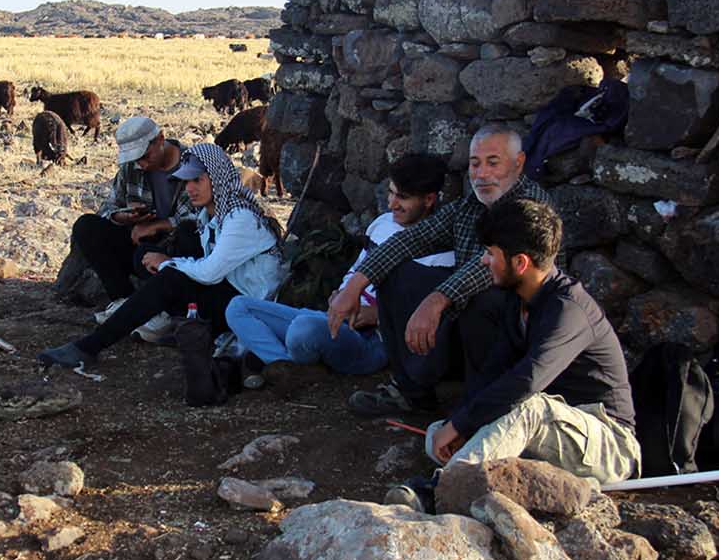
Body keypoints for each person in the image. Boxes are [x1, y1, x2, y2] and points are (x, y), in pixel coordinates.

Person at [328, 124, 553, 417]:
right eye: (475, 163)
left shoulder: (530, 207)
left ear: (518, 163)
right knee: (395, 273)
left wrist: (437, 299)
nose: (481, 173)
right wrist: (355, 285)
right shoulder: (469, 206)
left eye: (492, 162)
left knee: (486, 298)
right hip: (465, 314)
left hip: (515, 320)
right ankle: (411, 392)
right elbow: (412, 239)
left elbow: (489, 268)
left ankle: (483, 405)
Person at [421, 198, 640, 485]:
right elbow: (493, 372)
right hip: (548, 430)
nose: (484, 261)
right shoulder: (519, 301)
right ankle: (473, 475)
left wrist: (464, 424)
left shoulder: (568, 310)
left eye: (490, 253)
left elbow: (527, 381)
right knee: (437, 432)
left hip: (609, 444)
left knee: (527, 407)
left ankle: (444, 490)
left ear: (520, 262)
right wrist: (459, 423)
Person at [39, 143, 286, 369]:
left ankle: (89, 347)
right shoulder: (210, 215)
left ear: (217, 179)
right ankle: (132, 325)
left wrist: (169, 263)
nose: (189, 189)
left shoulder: (240, 217)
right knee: (166, 260)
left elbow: (210, 273)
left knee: (171, 278)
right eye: (186, 181)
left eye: (197, 181)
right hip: (229, 294)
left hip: (248, 306)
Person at [224, 154, 453, 387]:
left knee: (301, 330)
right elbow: (358, 268)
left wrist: (376, 315)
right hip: (336, 317)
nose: (392, 203)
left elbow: (426, 314)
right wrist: (341, 293)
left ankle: (274, 357)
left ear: (428, 200)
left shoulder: (442, 253)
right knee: (238, 307)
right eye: (391, 193)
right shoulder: (383, 224)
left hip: (374, 338)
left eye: (402, 197)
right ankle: (287, 366)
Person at [69, 115, 193, 335]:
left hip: (174, 251)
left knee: (183, 236)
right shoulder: (131, 168)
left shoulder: (191, 164)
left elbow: (197, 217)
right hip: (137, 241)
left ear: (160, 139)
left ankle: (162, 311)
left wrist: (158, 225)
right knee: (86, 226)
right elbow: (108, 207)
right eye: (137, 159)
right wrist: (122, 217)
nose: (142, 164)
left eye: (145, 156)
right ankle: (123, 301)